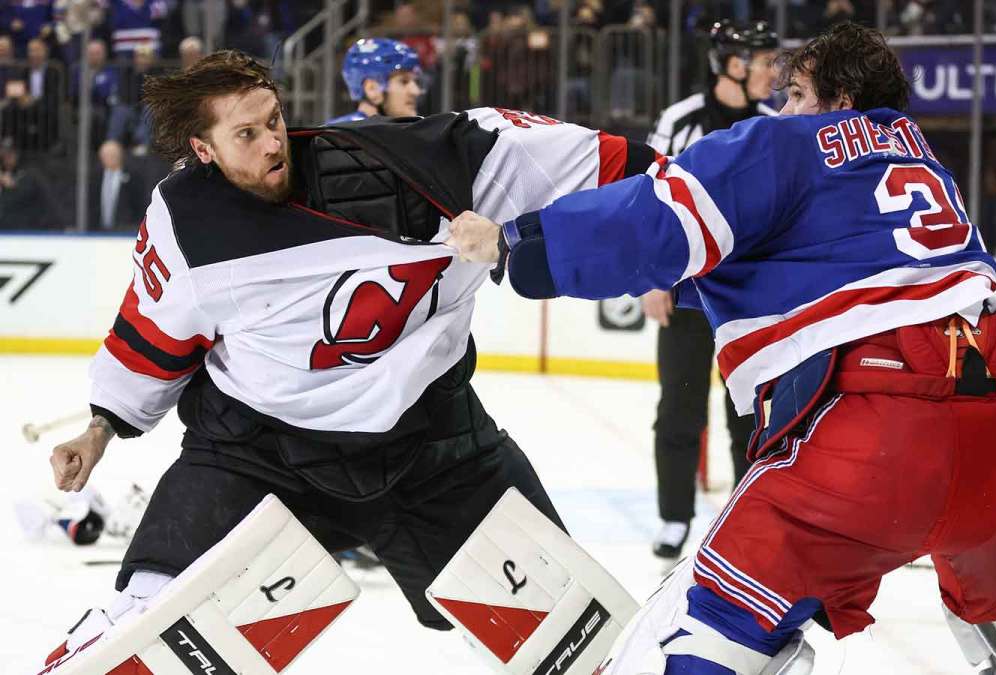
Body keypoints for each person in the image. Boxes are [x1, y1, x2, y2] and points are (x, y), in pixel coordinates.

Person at [447, 23, 996, 674]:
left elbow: (651, 223)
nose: (782, 108)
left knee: (703, 621)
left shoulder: (782, 144)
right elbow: (814, 272)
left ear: (839, 103)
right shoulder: (925, 162)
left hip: (876, 441)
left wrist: (516, 243)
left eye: (798, 95)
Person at [43, 49, 661, 664]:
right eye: (246, 134)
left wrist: (673, 219)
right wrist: (102, 428)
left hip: (435, 446)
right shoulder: (185, 222)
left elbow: (632, 175)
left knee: (571, 637)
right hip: (261, 450)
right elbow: (152, 334)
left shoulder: (431, 163)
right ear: (204, 150)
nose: (271, 143)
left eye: (275, 120)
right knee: (149, 624)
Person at [642, 19, 778, 561]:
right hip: (688, 294)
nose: (774, 71)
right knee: (678, 411)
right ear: (734, 64)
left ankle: (745, 518)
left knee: (749, 414)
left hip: (750, 299)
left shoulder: (775, 123)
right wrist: (654, 277)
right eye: (765, 61)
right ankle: (675, 518)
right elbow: (647, 197)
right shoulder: (681, 121)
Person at [327, 37, 422, 125]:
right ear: (371, 89)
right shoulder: (343, 137)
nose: (416, 91)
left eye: (415, 82)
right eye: (404, 81)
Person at [89, 139, 146, 230]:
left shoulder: (133, 176)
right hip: (98, 231)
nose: (109, 158)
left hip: (124, 231)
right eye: (106, 155)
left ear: (120, 155)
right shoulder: (95, 177)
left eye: (113, 155)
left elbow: (139, 203)